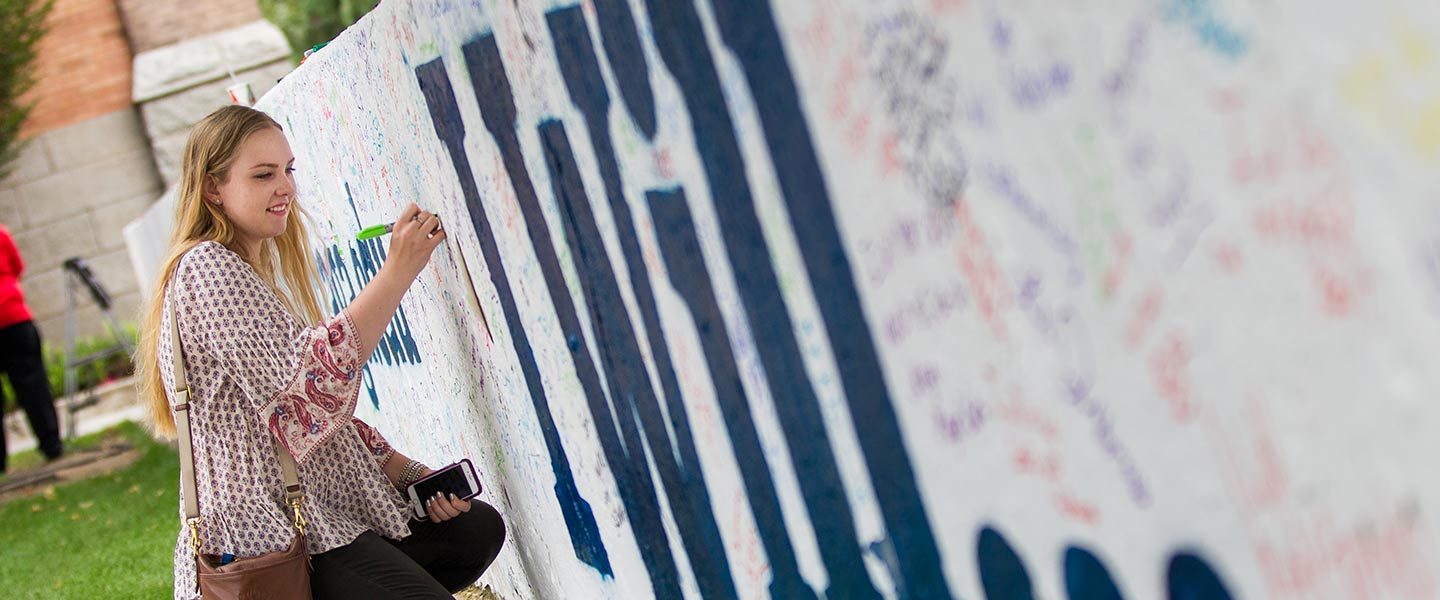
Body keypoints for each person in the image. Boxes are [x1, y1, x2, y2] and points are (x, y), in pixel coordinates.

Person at [134, 105, 505, 599]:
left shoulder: (249, 269)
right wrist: (397, 272)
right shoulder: (207, 268)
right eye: (263, 174)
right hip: (269, 538)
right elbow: (313, 386)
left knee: (472, 530)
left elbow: (319, 423)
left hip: (317, 516)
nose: (285, 186)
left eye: (288, 170)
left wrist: (413, 475)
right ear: (212, 188)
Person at [0, 222, 64, 471]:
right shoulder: (2, 233)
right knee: (33, 385)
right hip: (15, 318)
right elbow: (18, 268)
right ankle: (51, 444)